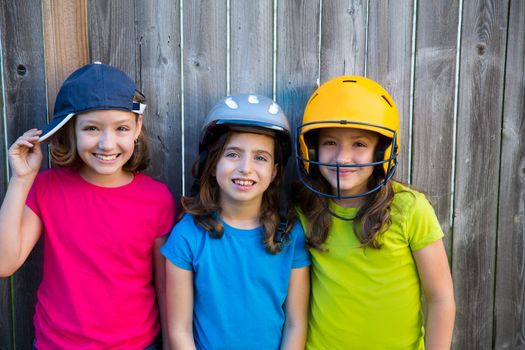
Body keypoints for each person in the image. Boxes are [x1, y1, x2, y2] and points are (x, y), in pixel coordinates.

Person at [0, 62, 175, 349]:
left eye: (121, 128)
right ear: (72, 129)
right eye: (92, 128)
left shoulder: (157, 199)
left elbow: (166, 290)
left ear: (137, 127)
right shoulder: (47, 189)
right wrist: (21, 179)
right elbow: (5, 264)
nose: (107, 144)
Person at [293, 76, 456, 350]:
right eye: (330, 142)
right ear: (311, 149)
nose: (343, 158)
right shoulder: (306, 210)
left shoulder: (409, 208)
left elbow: (441, 298)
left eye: (359, 144)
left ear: (382, 150)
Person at [161, 94, 311, 349]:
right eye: (233, 154)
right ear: (213, 161)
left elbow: (296, 324)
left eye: (260, 158)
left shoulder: (290, 235)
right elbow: (180, 331)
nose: (245, 168)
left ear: (274, 171)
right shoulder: (187, 235)